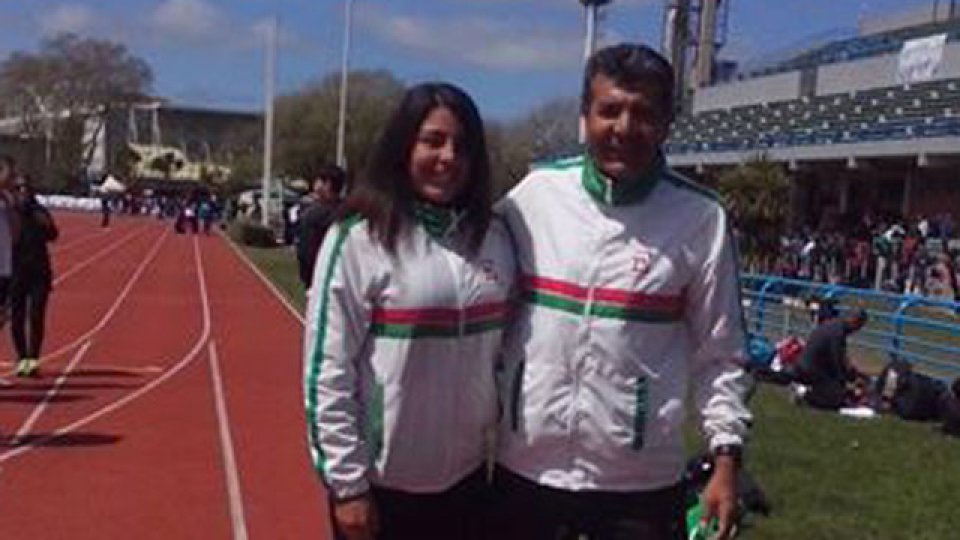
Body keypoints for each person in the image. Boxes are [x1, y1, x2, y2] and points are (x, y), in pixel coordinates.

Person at [494, 43, 752, 540]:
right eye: (609, 110)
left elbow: (722, 355)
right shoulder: (535, 195)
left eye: (643, 113)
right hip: (526, 474)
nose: (624, 128)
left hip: (639, 486)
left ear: (667, 123)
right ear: (584, 115)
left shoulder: (700, 218)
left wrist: (725, 459)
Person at [303, 82, 515, 540]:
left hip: (469, 482)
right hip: (381, 488)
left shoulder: (496, 238)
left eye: (461, 145)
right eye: (432, 140)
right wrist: (347, 487)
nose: (447, 157)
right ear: (403, 147)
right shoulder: (359, 239)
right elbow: (327, 371)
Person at [11, 177, 58, 377]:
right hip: (15, 272)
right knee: (16, 318)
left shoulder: (40, 212)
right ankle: (21, 357)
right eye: (18, 188)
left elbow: (53, 235)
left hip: (39, 272)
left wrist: (45, 223)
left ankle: (33, 358)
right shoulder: (10, 213)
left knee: (36, 316)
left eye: (26, 188)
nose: (22, 192)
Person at [793, 308, 868, 410]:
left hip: (806, 365)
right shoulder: (838, 333)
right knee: (835, 399)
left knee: (837, 388)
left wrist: (852, 374)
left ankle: (809, 390)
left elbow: (840, 359)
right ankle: (805, 393)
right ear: (855, 322)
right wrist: (848, 380)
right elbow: (836, 361)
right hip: (811, 369)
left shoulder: (834, 326)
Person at [296, 164, 345, 288]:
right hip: (343, 277)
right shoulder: (350, 212)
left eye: (317, 180)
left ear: (327, 184)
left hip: (318, 278)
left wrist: (308, 279)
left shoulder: (313, 215)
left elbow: (306, 252)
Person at [0, 154, 22, 330]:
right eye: (9, 172)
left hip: (5, 267)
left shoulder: (9, 199)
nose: (12, 177)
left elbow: (16, 234)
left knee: (3, 315)